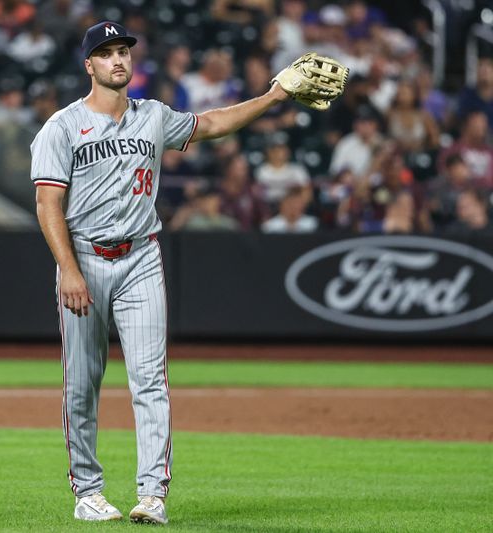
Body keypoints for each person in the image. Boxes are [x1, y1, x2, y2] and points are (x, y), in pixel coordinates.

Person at [30, 21, 292, 524]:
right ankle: (88, 491)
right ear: (89, 65)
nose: (117, 60)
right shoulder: (61, 127)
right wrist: (67, 269)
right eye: (106, 53)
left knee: (150, 381)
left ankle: (152, 494)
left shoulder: (153, 116)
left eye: (123, 51)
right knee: (82, 383)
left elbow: (213, 124)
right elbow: (47, 204)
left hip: (141, 259)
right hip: (83, 256)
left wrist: (273, 96)